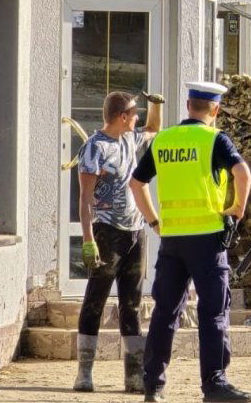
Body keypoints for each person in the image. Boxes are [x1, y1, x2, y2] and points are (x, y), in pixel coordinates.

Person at [129, 81, 251, 403]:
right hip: (208, 240)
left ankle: (152, 385)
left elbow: (136, 182)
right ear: (215, 109)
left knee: (165, 312)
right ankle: (213, 385)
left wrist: (155, 221)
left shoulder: (164, 139)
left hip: (172, 240)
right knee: (213, 312)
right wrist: (236, 211)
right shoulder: (215, 139)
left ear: (187, 106)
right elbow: (243, 173)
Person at [74, 91, 164, 393]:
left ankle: (134, 375)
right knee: (95, 301)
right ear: (122, 116)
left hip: (134, 231)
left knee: (132, 303)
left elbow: (153, 129)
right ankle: (84, 373)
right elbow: (85, 199)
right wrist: (88, 240)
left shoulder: (129, 139)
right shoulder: (94, 148)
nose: (137, 118)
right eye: (134, 113)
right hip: (106, 231)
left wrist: (156, 105)